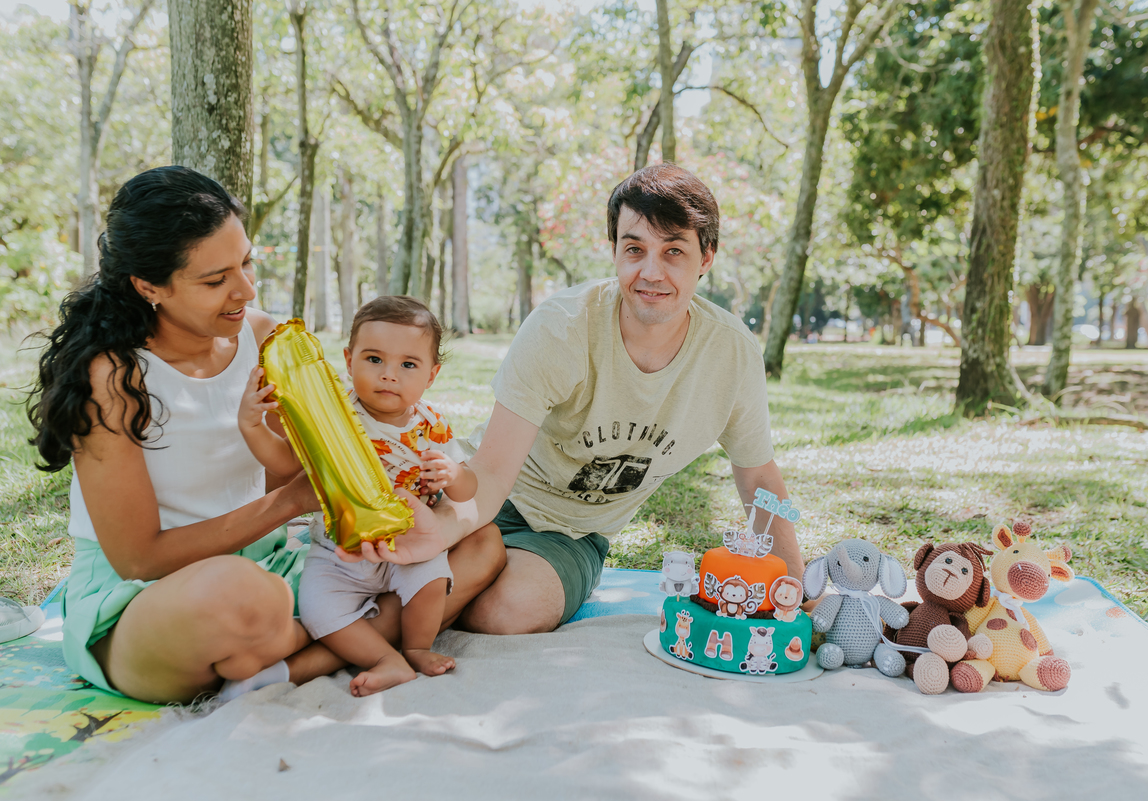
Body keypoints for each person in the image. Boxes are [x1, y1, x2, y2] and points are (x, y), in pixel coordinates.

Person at [27, 166, 504, 704]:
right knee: (245, 599)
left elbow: (295, 466)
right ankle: (328, 641)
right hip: (150, 600)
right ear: (148, 286)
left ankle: (284, 659)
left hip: (271, 565)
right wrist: (294, 501)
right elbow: (140, 559)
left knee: (476, 544)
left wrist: (368, 508)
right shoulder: (111, 377)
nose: (246, 290)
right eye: (215, 281)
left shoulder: (267, 339)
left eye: (246, 262)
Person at [350, 163, 804, 634]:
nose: (651, 272)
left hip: (571, 535)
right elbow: (492, 473)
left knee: (509, 612)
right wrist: (442, 530)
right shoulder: (562, 326)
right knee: (384, 563)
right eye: (635, 249)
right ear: (614, 251)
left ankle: (403, 610)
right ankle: (386, 618)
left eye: (674, 251)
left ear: (706, 257)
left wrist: (795, 589)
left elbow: (758, 476)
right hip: (483, 492)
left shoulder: (731, 354)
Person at [238, 296, 475, 696]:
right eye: (374, 359)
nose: (389, 375)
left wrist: (453, 474)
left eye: (408, 365)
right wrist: (252, 425)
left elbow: (468, 490)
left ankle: (416, 647)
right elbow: (284, 461)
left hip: (408, 546)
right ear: (349, 361)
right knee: (318, 610)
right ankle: (385, 659)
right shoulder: (334, 414)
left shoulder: (431, 425)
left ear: (431, 375)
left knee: (433, 579)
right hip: (338, 552)